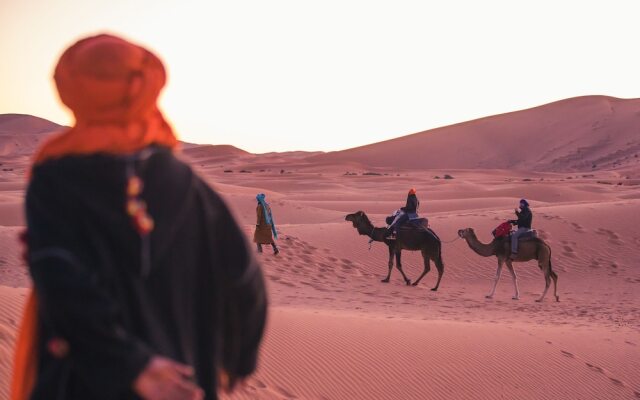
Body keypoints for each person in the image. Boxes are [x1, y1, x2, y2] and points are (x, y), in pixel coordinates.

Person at [11, 34, 267, 400]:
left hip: (86, 381)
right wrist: (237, 360)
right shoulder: (190, 185)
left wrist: (133, 366)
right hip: (183, 381)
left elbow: (60, 278)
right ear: (146, 88)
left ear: (71, 89)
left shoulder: (55, 178)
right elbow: (245, 281)